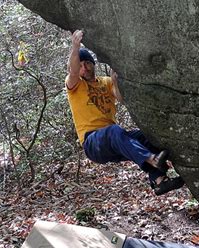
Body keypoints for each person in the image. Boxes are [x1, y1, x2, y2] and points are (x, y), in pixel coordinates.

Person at [65, 30, 184, 195]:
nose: (84, 68)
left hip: (114, 141)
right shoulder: (75, 86)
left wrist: (115, 82)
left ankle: (160, 180)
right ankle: (152, 159)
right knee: (114, 131)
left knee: (145, 136)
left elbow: (121, 99)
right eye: (80, 65)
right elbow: (72, 72)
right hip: (92, 143)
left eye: (87, 63)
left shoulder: (105, 83)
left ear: (93, 64)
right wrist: (75, 46)